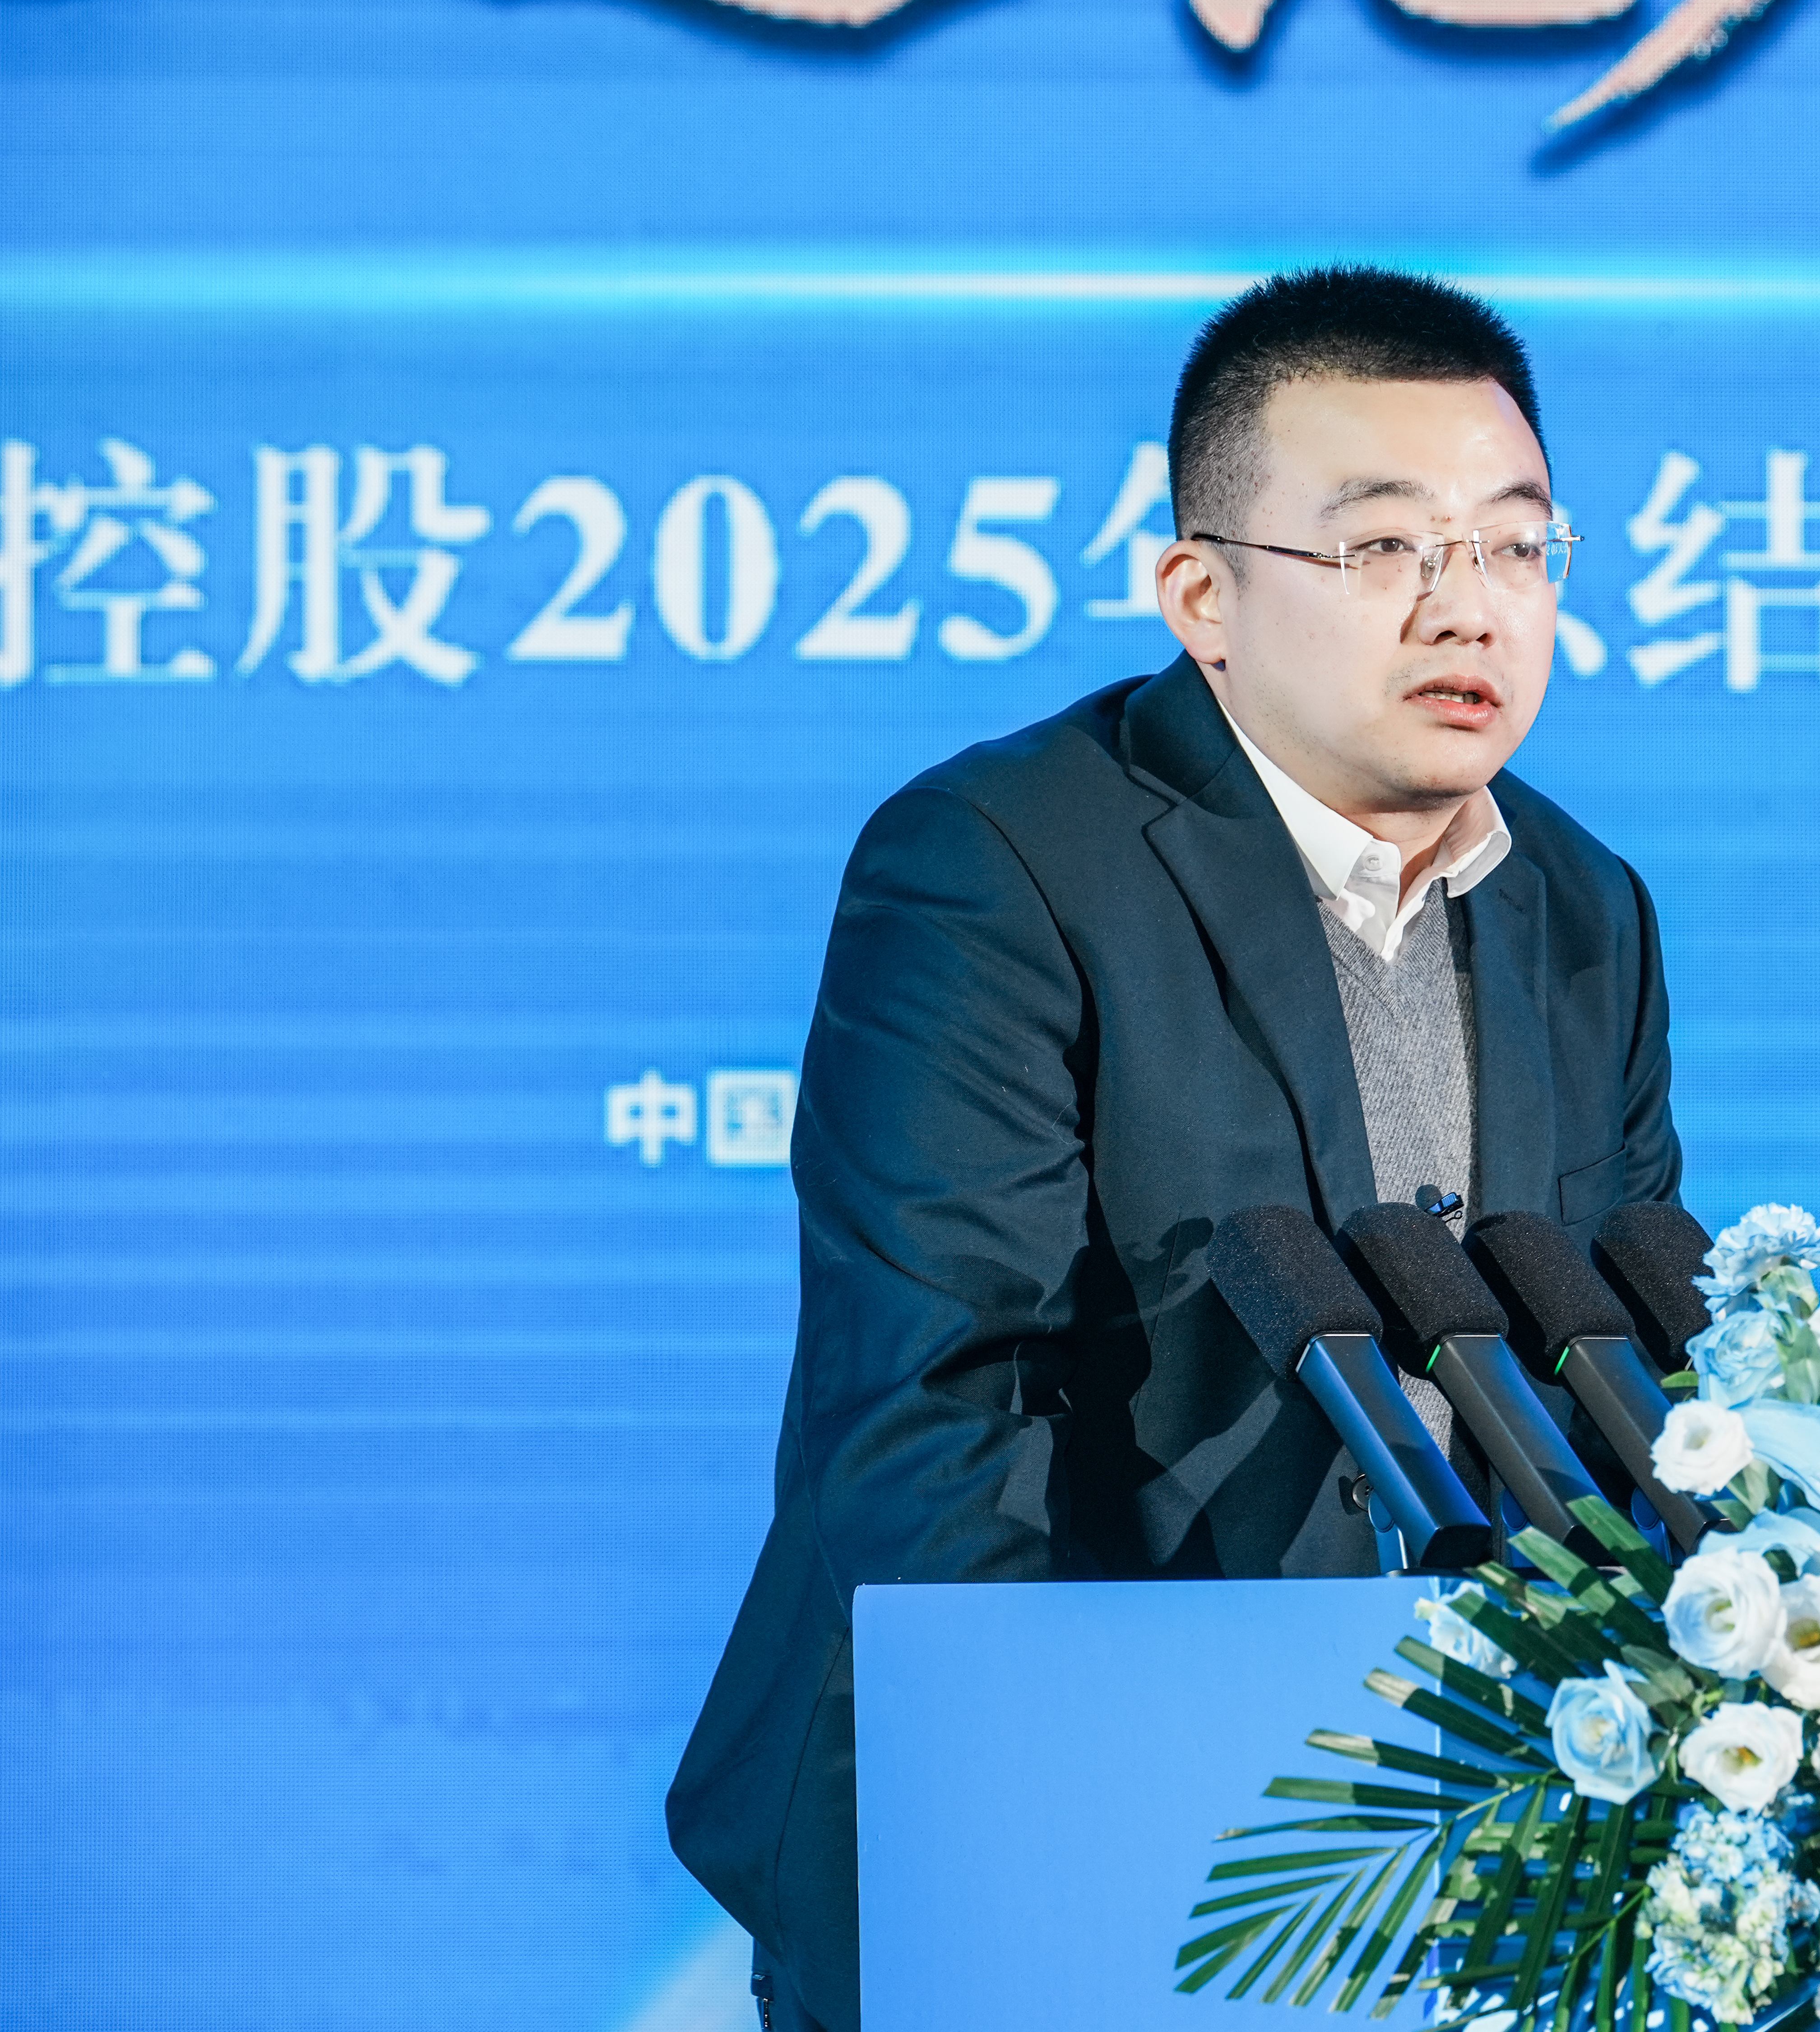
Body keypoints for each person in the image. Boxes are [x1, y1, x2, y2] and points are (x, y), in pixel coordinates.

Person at [664, 266, 1685, 2032]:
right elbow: (935, 1412)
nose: (1468, 603)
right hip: (1047, 1827)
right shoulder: (997, 865)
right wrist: (1067, 1815)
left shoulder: (1585, 907)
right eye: (1385, 547)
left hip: (1458, 1854)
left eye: (1518, 547)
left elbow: (1627, 1380)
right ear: (1203, 595)